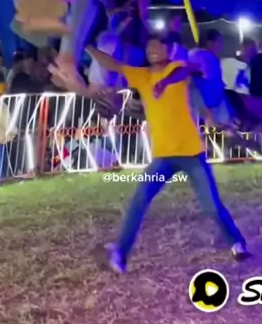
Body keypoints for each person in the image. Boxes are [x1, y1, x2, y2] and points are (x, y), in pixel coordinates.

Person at [82, 35, 250, 272]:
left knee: (211, 206)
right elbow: (113, 64)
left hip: (192, 155)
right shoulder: (142, 76)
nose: (151, 50)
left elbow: (185, 71)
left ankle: (237, 243)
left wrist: (164, 82)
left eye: (157, 46)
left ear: (168, 50)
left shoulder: (177, 68)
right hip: (163, 159)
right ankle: (119, 255)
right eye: (148, 46)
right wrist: (86, 45)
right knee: (139, 201)